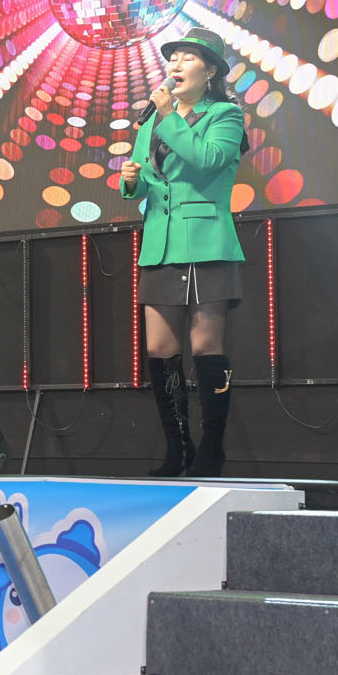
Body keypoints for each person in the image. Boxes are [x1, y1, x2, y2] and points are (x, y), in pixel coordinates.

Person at [118, 28, 249, 476]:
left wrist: (168, 116)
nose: (175, 64)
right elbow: (146, 183)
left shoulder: (225, 115)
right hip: (160, 242)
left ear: (210, 71)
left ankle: (212, 448)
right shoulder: (154, 121)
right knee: (159, 348)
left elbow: (208, 160)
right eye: (172, 57)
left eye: (188, 58)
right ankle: (178, 447)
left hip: (205, 241)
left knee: (205, 343)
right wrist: (130, 181)